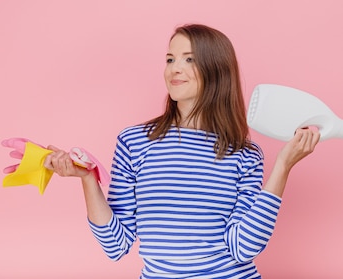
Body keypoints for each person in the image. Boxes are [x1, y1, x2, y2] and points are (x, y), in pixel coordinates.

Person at [43, 24, 320, 279]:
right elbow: (115, 244)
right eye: (170, 59)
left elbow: (243, 248)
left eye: (189, 59)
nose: (174, 68)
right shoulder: (133, 142)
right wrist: (88, 179)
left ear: (215, 70)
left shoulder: (244, 154)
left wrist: (283, 166)